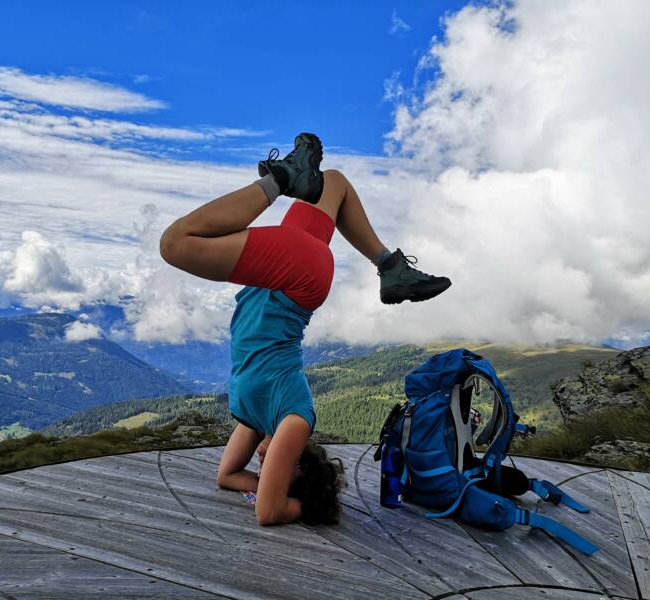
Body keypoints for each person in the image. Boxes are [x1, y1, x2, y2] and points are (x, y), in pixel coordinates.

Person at [159, 133, 451, 526]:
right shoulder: (294, 420)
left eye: (265, 472)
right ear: (297, 469)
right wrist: (305, 504)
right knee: (177, 243)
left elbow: (227, 476)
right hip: (295, 279)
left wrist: (265, 482)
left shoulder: (254, 418)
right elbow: (268, 512)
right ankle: (287, 183)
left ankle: (385, 263)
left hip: (284, 273)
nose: (264, 463)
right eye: (280, 472)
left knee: (331, 183)